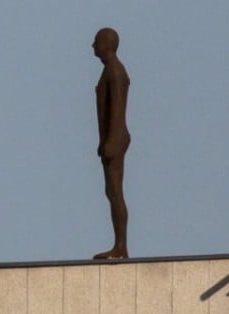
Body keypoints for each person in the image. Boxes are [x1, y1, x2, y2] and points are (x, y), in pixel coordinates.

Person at [92, 27, 131, 259]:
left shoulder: (115, 71)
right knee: (112, 191)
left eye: (96, 41)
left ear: (105, 45)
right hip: (111, 138)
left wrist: (111, 141)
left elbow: (116, 109)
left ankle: (120, 246)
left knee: (115, 191)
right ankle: (119, 244)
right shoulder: (111, 70)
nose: (93, 46)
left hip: (115, 138)